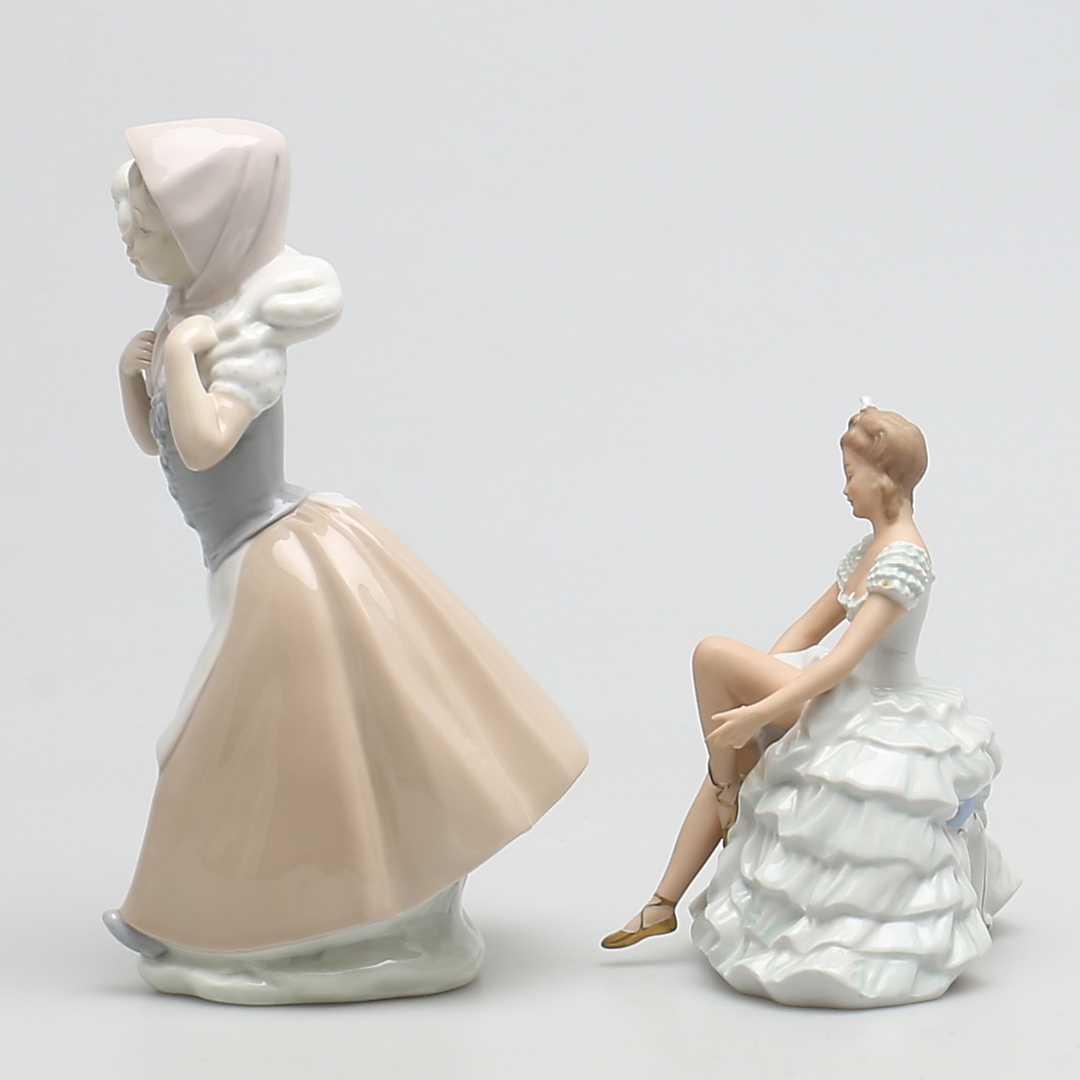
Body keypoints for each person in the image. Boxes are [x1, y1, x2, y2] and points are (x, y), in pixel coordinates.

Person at [106, 119, 587, 1004]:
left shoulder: (239, 342)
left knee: (224, 745)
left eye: (146, 226)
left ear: (207, 236)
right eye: (127, 221)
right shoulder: (188, 321)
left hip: (274, 559)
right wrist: (134, 378)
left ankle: (269, 916)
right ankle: (276, 910)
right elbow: (159, 444)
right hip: (240, 557)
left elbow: (206, 445)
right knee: (270, 746)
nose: (127, 239)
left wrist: (175, 358)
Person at [602, 401, 1018, 1008]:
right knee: (733, 718)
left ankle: (719, 798)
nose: (844, 488)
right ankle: (664, 897)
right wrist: (764, 684)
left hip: (868, 699)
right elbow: (805, 631)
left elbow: (842, 661)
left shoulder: (905, 555)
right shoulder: (866, 548)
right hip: (829, 686)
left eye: (850, 474)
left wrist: (758, 708)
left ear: (883, 478)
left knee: (713, 660)